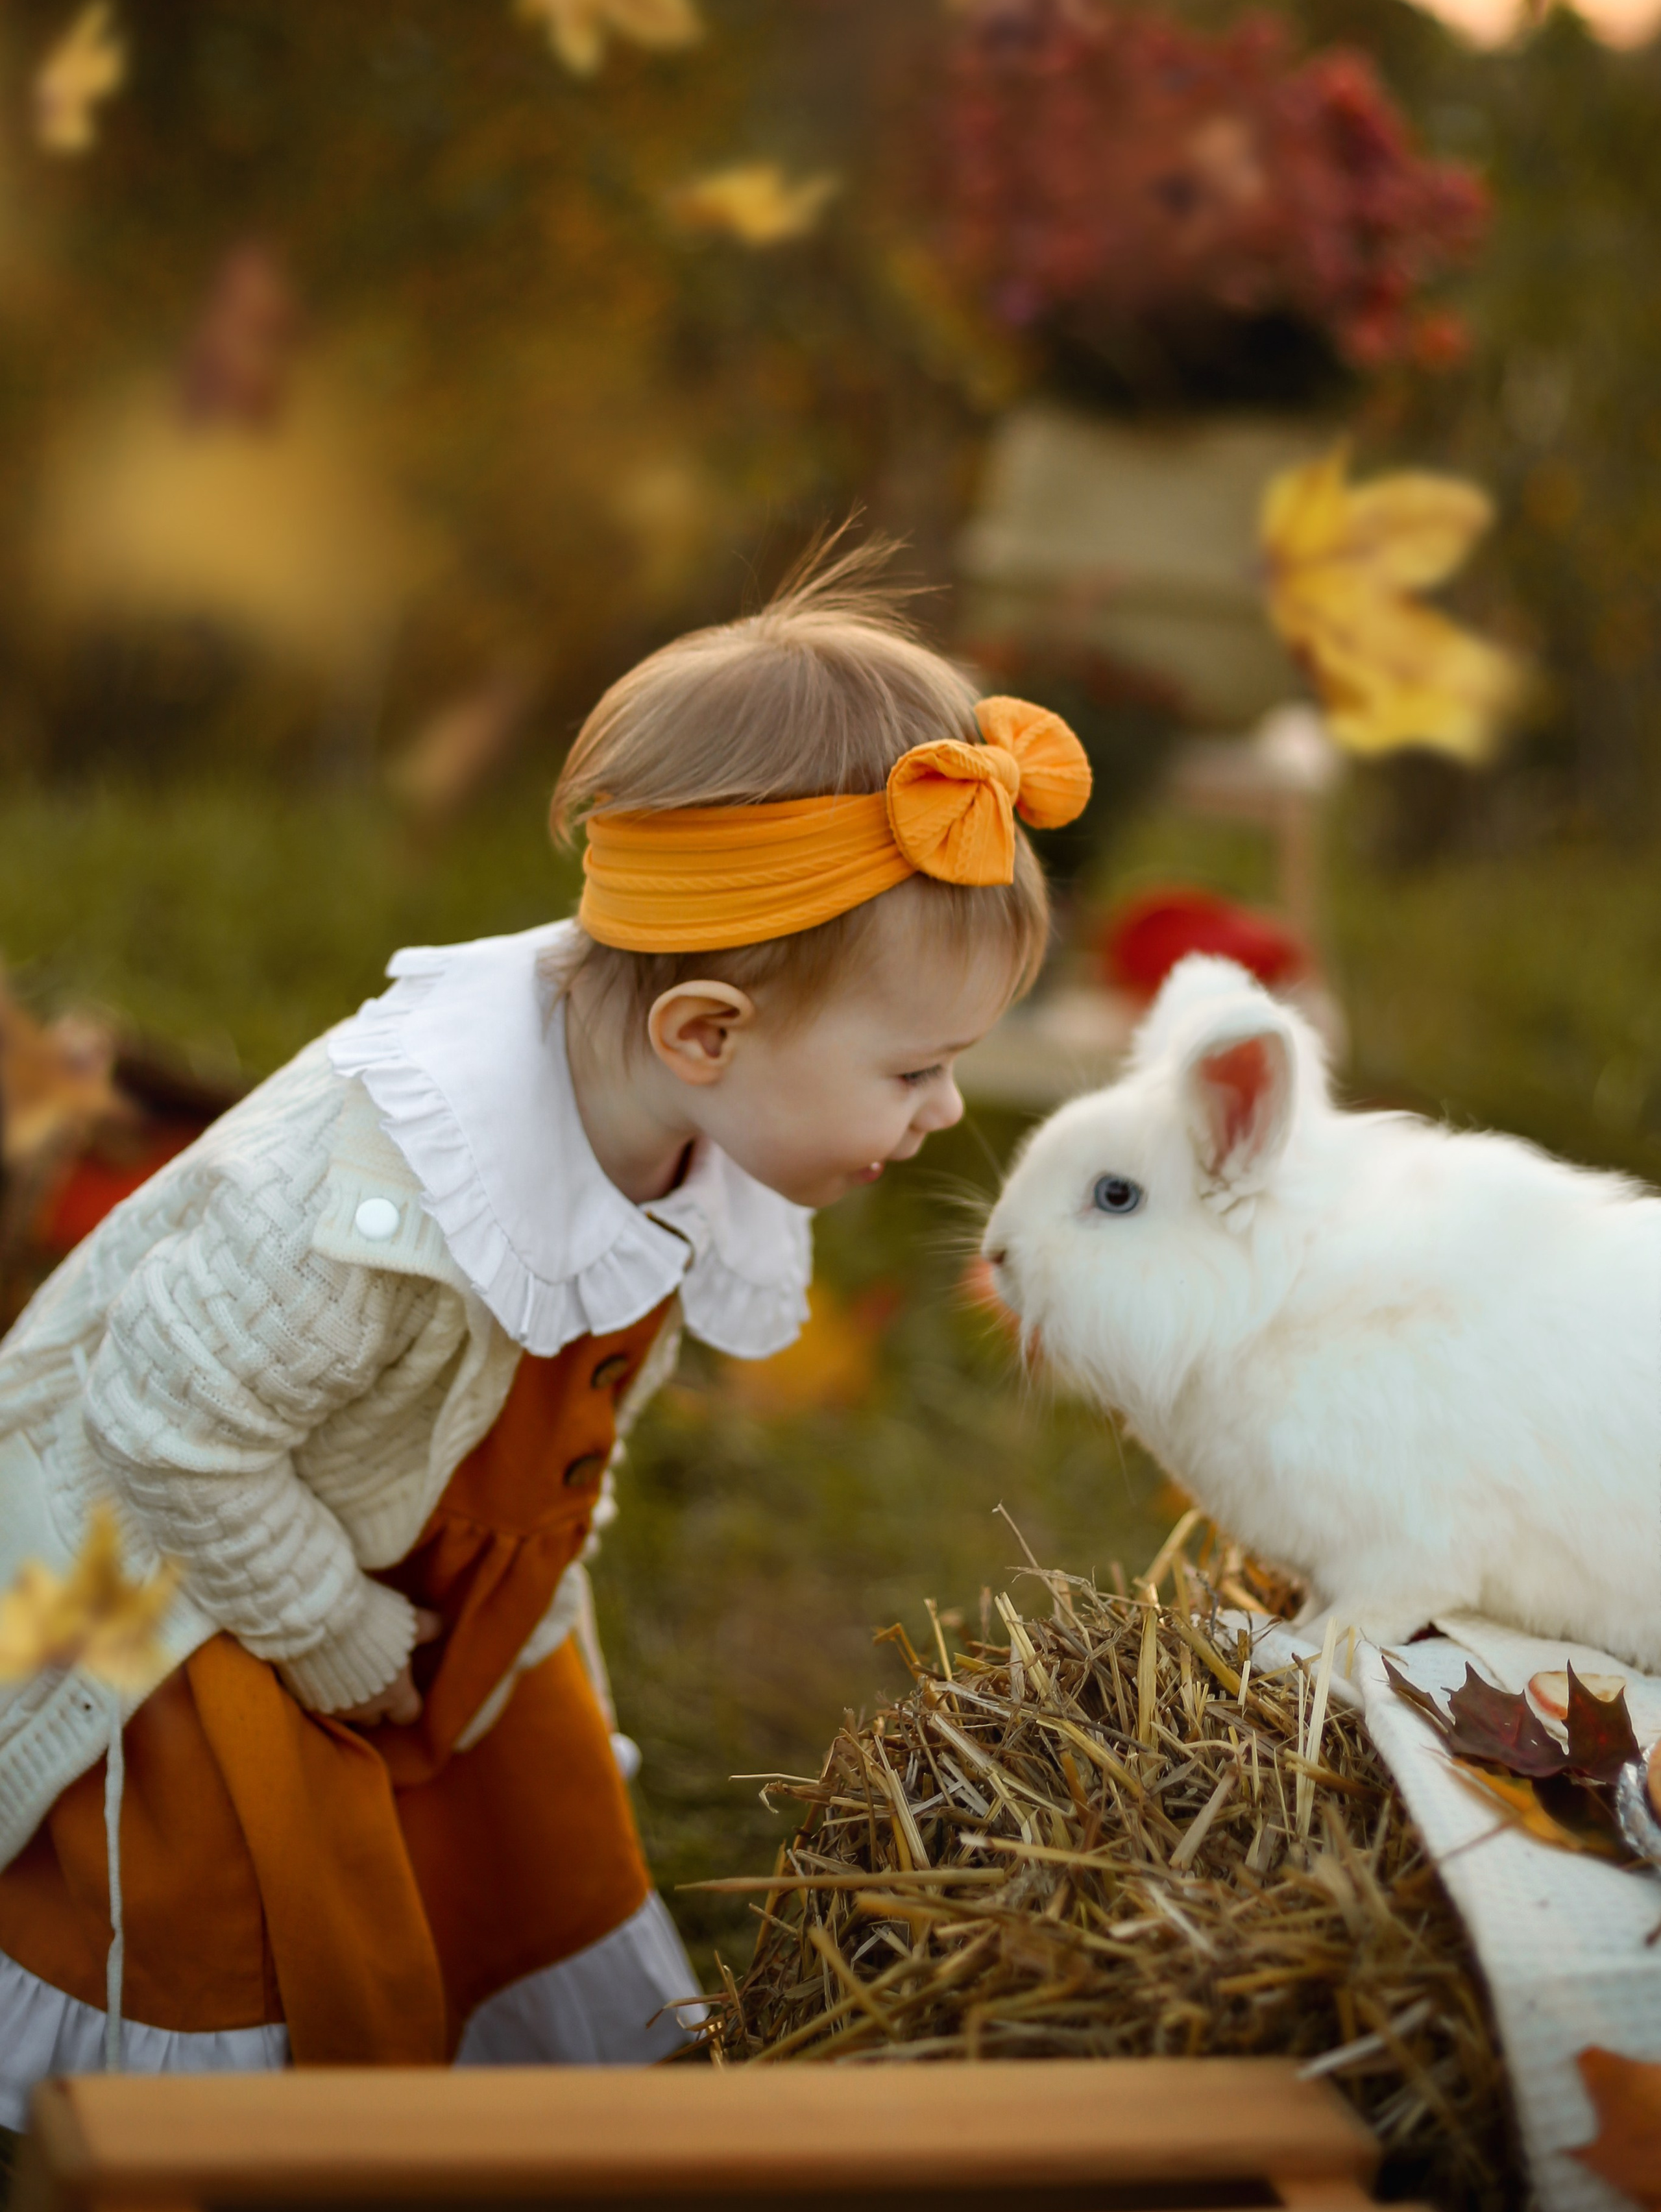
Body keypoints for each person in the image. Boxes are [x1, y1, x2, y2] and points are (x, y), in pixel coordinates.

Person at [0, 541, 1089, 2117]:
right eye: (916, 1069)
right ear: (703, 1032)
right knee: (258, 1906)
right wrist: (330, 1623)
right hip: (193, 1586)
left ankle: (515, 2122)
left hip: (433, 1556)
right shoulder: (370, 1197)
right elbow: (165, 1425)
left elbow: (566, 1386)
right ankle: (224, 2185)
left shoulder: (685, 1119)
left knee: (518, 1853)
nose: (941, 1113)